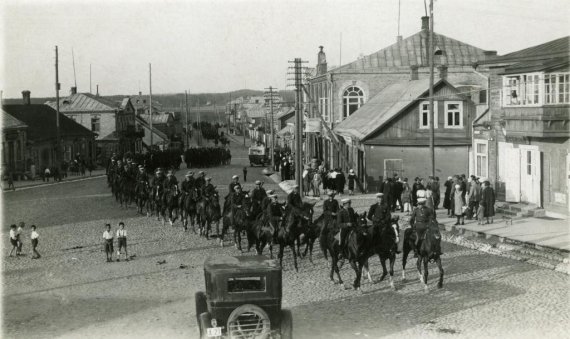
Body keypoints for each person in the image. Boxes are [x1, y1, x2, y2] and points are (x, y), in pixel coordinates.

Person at [410, 190, 441, 257]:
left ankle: (435, 250)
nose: (419, 205)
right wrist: (412, 226)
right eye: (419, 204)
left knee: (433, 237)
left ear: (423, 204)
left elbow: (432, 218)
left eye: (421, 204)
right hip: (420, 226)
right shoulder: (417, 210)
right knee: (419, 239)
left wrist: (433, 224)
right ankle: (417, 251)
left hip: (425, 226)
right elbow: (412, 219)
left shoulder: (426, 210)